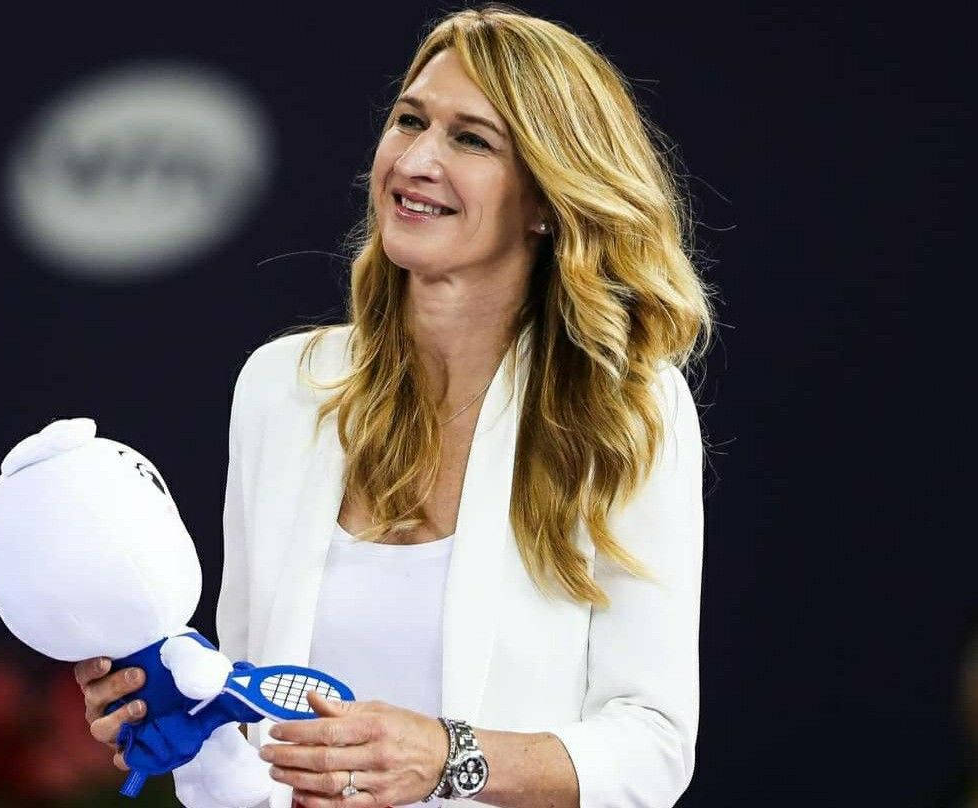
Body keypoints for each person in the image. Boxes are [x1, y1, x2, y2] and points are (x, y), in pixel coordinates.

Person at [75, 4, 717, 807]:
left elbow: (652, 748)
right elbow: (248, 741)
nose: (416, 159)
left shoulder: (625, 405)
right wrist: (179, 713)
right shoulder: (282, 387)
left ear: (549, 199)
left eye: (471, 139)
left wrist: (447, 756)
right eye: (409, 120)